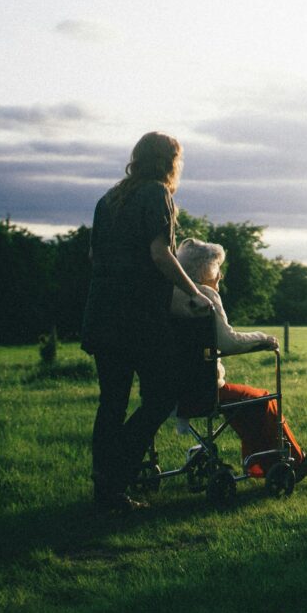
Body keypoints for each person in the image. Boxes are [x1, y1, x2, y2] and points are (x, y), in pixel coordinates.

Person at [81, 132, 212, 512]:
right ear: (170, 161)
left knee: (112, 403)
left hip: (101, 313)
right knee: (161, 397)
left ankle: (106, 488)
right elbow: (161, 254)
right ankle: (117, 472)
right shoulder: (157, 194)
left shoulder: (109, 198)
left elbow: (94, 254)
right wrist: (194, 292)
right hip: (136, 318)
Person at [171, 237, 307, 482]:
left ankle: (261, 465)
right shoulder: (204, 296)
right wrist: (263, 338)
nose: (220, 276)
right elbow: (228, 342)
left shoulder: (171, 295)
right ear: (206, 270)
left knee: (246, 402)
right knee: (263, 399)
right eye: (218, 270)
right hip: (204, 390)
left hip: (171, 390)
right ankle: (295, 461)